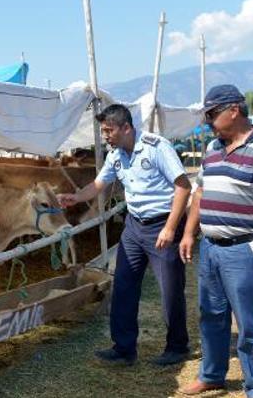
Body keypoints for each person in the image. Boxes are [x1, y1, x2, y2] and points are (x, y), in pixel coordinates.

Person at [178, 85, 253, 397]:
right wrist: (189, 233)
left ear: (234, 110)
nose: (208, 122)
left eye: (212, 114)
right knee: (211, 315)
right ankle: (212, 374)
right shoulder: (211, 149)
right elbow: (200, 194)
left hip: (247, 250)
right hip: (212, 248)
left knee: (250, 323)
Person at [59, 104, 192, 365]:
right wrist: (76, 197)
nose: (105, 135)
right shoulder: (116, 154)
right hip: (133, 226)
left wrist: (170, 227)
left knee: (170, 289)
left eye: (109, 130)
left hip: (162, 225)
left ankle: (177, 347)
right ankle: (124, 348)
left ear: (127, 127)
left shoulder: (156, 147)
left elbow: (183, 187)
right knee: (123, 285)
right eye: (104, 130)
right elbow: (99, 183)